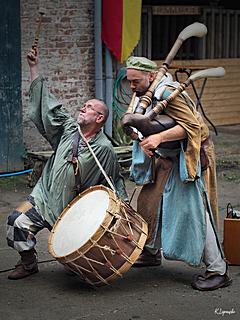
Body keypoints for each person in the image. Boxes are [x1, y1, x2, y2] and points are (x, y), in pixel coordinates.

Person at [6, 48, 128, 280]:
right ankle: (29, 262)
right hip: (44, 197)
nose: (83, 107)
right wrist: (34, 68)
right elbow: (45, 105)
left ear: (100, 118)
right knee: (16, 222)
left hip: (72, 208)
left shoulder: (104, 148)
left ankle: (71, 260)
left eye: (89, 107)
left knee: (76, 261)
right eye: (84, 105)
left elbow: (113, 181)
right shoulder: (68, 129)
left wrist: (121, 215)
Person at [122, 56, 232, 291]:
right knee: (150, 204)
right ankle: (151, 252)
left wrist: (159, 138)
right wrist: (142, 138)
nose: (131, 86)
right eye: (129, 81)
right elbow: (143, 125)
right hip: (164, 159)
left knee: (194, 213)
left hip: (188, 158)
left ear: (151, 76)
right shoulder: (141, 94)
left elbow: (193, 126)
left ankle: (218, 270)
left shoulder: (169, 93)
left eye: (135, 81)